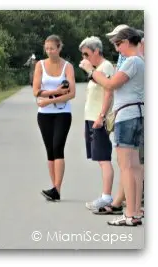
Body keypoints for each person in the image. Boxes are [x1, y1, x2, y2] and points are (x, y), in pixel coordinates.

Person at [79, 27, 144, 226]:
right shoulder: (142, 61)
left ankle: (130, 214)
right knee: (134, 167)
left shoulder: (132, 61)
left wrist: (91, 71)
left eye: (117, 44)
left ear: (126, 41)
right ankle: (135, 212)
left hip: (127, 116)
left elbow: (110, 84)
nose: (117, 50)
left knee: (126, 167)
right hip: (138, 114)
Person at [32, 35, 76, 201]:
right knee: (50, 151)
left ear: (59, 48)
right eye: (47, 48)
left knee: (58, 147)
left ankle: (57, 188)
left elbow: (71, 93)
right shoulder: (40, 65)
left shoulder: (68, 67)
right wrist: (56, 92)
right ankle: (54, 188)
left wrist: (51, 99)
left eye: (52, 48)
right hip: (44, 115)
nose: (49, 51)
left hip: (63, 113)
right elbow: (36, 91)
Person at [78, 36, 115, 210]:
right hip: (91, 118)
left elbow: (108, 91)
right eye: (83, 55)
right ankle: (105, 196)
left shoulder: (105, 66)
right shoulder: (96, 69)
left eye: (87, 54)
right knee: (100, 158)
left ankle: (106, 196)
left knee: (104, 158)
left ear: (96, 51)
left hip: (99, 118)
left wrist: (101, 116)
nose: (84, 58)